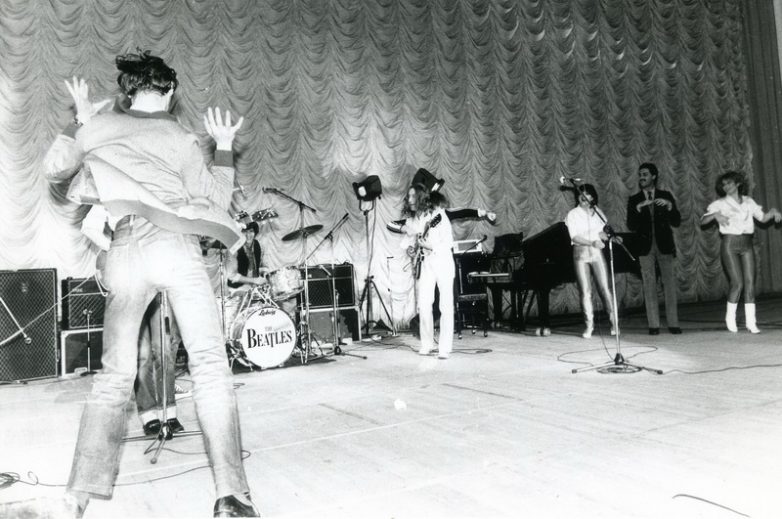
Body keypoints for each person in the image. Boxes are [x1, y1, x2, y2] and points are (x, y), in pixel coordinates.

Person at [43, 51, 259, 517]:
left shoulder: (99, 127)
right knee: (209, 367)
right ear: (170, 92)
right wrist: (223, 146)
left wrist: (80, 121)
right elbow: (215, 199)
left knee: (113, 377)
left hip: (124, 252)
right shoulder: (179, 136)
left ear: (127, 92)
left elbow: (55, 169)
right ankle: (231, 497)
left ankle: (77, 497)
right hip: (175, 247)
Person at [701, 171, 781, 333]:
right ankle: (730, 318)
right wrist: (715, 215)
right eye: (723, 184)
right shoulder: (720, 203)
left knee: (750, 283)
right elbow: (703, 221)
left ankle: (751, 323)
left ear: (738, 184)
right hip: (730, 243)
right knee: (737, 283)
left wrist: (773, 212)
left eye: (729, 183)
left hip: (747, 244)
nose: (726, 186)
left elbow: (763, 218)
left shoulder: (748, 201)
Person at [399, 183, 455, 358]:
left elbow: (448, 243)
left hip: (443, 262)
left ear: (421, 197)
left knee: (445, 306)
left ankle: (445, 348)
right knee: (424, 304)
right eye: (409, 196)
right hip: (426, 264)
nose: (410, 200)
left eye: (413, 196)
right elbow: (409, 242)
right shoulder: (414, 219)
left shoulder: (439, 215)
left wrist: (431, 246)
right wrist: (410, 249)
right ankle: (427, 344)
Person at [626, 163, 682, 335]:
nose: (641, 177)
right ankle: (654, 325)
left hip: (664, 245)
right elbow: (631, 225)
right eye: (640, 174)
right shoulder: (634, 199)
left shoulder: (665, 196)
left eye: (645, 174)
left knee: (669, 284)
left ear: (654, 176)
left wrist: (670, 206)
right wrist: (638, 208)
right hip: (644, 248)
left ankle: (673, 324)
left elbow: (676, 221)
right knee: (649, 284)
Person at [565, 184, 617, 339]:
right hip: (580, 254)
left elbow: (602, 233)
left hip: (596, 254)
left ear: (592, 197)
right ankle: (589, 326)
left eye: (587, 194)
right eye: (580, 194)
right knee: (585, 291)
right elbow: (574, 237)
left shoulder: (598, 212)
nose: (583, 197)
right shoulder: (572, 214)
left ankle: (614, 323)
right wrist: (592, 242)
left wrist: (608, 238)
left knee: (605, 288)